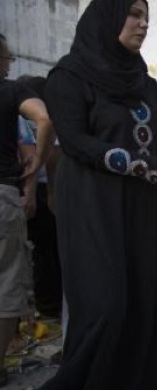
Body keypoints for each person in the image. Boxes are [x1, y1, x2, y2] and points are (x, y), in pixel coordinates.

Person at [14, 0, 157, 390]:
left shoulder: (146, 84)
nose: (143, 22)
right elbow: (76, 142)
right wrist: (147, 166)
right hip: (92, 204)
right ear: (108, 17)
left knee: (140, 303)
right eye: (134, 13)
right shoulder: (69, 77)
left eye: (146, 15)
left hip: (141, 204)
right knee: (104, 304)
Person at [0, 34, 52, 389]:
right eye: (7, 55)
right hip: (2, 195)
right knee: (6, 284)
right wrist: (36, 167)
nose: (11, 62)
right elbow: (44, 120)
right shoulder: (12, 91)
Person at [17, 75, 64, 320]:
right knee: (50, 248)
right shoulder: (47, 116)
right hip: (46, 188)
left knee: (43, 250)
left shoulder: (33, 119)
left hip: (38, 189)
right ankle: (52, 303)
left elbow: (44, 157)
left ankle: (48, 305)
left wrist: (42, 192)